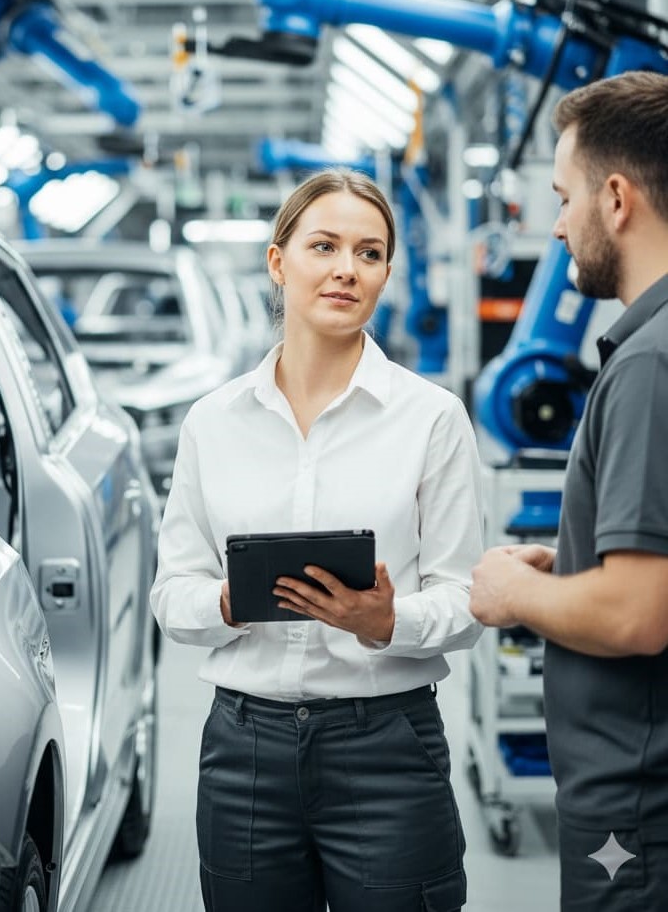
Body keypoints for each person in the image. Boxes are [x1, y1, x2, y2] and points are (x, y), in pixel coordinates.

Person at [150, 169, 483, 912]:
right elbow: (170, 596)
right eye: (323, 246)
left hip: (388, 749)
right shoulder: (212, 422)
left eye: (368, 254)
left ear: (386, 275)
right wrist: (231, 602)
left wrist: (388, 622)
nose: (345, 269)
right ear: (278, 262)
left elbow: (465, 598)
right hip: (245, 753)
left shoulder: (431, 420)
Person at [470, 70, 668, 911]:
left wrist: (516, 590)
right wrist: (579, 562)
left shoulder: (650, 365)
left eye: (562, 197)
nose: (554, 226)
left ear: (615, 199)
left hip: (635, 806)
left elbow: (634, 614)